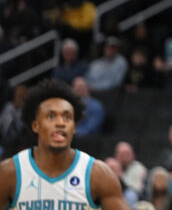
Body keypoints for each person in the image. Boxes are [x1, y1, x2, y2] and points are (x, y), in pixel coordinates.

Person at [0, 79, 129, 208]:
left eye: (67, 117)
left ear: (74, 127)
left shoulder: (98, 174)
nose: (61, 123)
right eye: (51, 116)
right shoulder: (10, 172)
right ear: (35, 126)